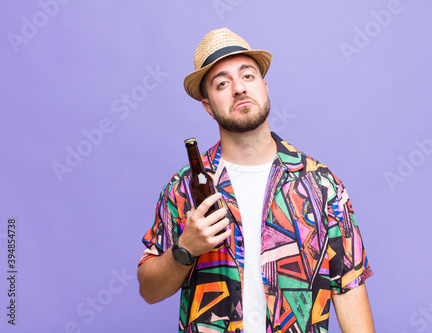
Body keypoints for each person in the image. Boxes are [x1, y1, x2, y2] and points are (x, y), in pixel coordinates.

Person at [137, 27, 374, 333]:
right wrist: (185, 248)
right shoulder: (183, 189)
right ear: (208, 105)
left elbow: (349, 286)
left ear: (264, 87)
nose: (238, 88)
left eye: (247, 76)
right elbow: (149, 290)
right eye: (222, 83)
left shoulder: (321, 185)